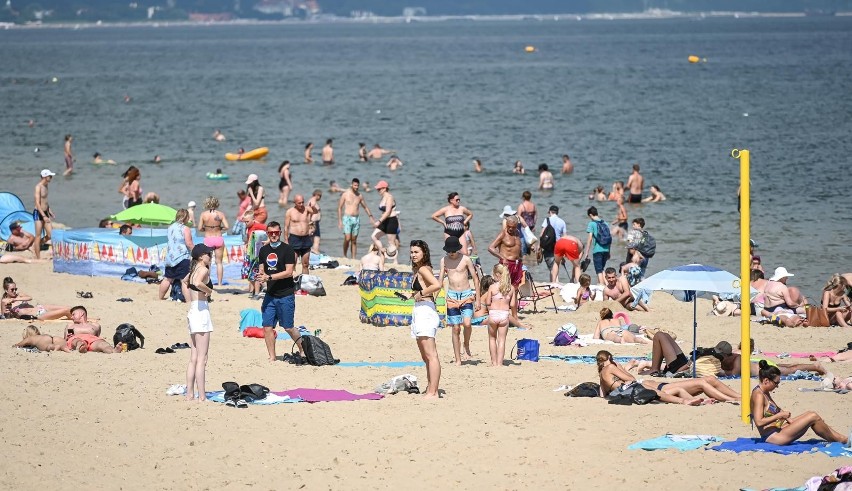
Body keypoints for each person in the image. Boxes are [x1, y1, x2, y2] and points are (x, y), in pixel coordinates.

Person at [750, 360, 848, 445]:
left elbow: (776, 409)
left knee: (811, 415)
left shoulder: (764, 391)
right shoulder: (759, 395)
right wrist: (779, 415)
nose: (777, 386)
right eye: (776, 383)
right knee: (813, 416)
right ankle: (842, 440)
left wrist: (791, 421)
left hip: (777, 430)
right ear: (766, 380)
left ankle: (843, 439)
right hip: (773, 437)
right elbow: (759, 422)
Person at [256, 221, 302, 362]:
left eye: (276, 233)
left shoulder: (287, 250)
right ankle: (272, 357)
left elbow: (289, 272)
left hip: (286, 295)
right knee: (267, 326)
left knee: (288, 327)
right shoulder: (263, 250)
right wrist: (260, 276)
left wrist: (269, 277)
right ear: (267, 233)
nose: (274, 235)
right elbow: (262, 268)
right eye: (271, 233)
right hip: (270, 295)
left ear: (280, 233)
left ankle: (302, 348)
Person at [596, 350, 702, 405]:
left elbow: (603, 394)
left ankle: (691, 400)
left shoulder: (601, 372)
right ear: (609, 357)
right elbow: (632, 379)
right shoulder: (610, 367)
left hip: (618, 394)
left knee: (658, 393)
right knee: (657, 393)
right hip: (626, 390)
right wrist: (621, 368)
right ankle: (684, 401)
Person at [408, 239, 442, 398]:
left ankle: (433, 392)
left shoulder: (423, 269)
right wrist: (412, 295)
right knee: (425, 356)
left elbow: (437, 285)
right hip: (420, 310)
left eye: (416, 252)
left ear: (424, 253)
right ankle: (430, 387)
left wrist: (420, 294)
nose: (413, 255)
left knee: (431, 354)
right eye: (411, 252)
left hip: (425, 312)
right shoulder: (420, 269)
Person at [439, 236, 480, 365]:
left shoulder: (466, 259)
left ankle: (466, 344)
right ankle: (458, 359)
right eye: (449, 251)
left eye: (453, 251)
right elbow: (440, 281)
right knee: (456, 328)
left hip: (466, 295)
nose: (451, 253)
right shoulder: (444, 260)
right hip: (451, 296)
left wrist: (478, 299)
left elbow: (475, 278)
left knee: (467, 323)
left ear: (458, 249)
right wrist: (434, 299)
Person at [186, 244, 214, 402]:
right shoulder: (202, 269)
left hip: (192, 311)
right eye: (208, 254)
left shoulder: (193, 268)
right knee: (202, 359)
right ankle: (202, 396)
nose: (210, 257)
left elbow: (186, 281)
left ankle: (189, 394)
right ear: (201, 256)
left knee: (194, 358)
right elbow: (196, 283)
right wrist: (209, 291)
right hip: (201, 312)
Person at [483, 263, 515, 367]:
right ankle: (500, 363)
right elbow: (513, 304)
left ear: (497, 274)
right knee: (502, 340)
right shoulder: (511, 288)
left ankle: (494, 362)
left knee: (492, 338)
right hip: (504, 314)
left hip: (493, 314)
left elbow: (487, 302)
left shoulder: (492, 287)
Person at [159, 209, 193, 302]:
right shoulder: (185, 229)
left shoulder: (170, 227)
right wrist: (196, 252)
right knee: (184, 281)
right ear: (185, 217)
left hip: (170, 257)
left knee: (167, 279)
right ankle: (189, 301)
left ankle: (160, 298)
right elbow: (189, 243)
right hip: (182, 257)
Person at [337, 178, 375, 259]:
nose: (356, 187)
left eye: (357, 185)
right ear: (351, 185)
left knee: (354, 240)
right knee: (347, 238)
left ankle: (353, 258)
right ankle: (344, 255)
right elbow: (339, 207)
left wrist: (370, 216)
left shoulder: (359, 196)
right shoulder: (345, 194)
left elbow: (365, 207)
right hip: (347, 218)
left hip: (356, 219)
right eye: (355, 185)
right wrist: (340, 220)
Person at [2, 277, 72, 320]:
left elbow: (30, 298)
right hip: (38, 315)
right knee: (66, 311)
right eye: (12, 289)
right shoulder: (5, 301)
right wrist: (7, 313)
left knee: (69, 308)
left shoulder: (19, 295)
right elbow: (4, 316)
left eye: (15, 289)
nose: (14, 291)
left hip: (40, 307)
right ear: (6, 290)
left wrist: (16, 299)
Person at [198, 196, 229, 286]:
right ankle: (219, 283)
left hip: (208, 239)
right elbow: (227, 226)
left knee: (208, 262)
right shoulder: (221, 214)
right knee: (219, 262)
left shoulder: (203, 215)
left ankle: (207, 282)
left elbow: (199, 228)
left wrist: (206, 229)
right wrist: (219, 228)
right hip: (218, 238)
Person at [284, 194, 317, 278]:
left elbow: (315, 212)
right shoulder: (290, 212)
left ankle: (305, 283)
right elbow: (286, 227)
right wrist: (286, 240)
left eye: (302, 202)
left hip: (306, 238)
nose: (301, 204)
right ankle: (292, 284)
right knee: (293, 263)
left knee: (305, 263)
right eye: (299, 203)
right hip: (294, 238)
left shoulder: (307, 209)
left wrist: (313, 207)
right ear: (295, 202)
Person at [488, 214, 523, 289]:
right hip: (506, 264)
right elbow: (491, 248)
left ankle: (514, 301)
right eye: (509, 226)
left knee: (515, 287)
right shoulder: (503, 234)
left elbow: (518, 249)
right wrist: (503, 258)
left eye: (513, 227)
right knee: (504, 286)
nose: (510, 229)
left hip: (517, 264)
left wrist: (521, 259)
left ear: (516, 226)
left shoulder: (518, 233)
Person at [581, 206, 611, 285]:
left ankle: (601, 285)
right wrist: (609, 251)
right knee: (601, 268)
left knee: (598, 270)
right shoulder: (605, 223)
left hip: (597, 250)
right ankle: (607, 285)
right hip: (606, 250)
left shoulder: (592, 224)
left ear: (590, 215)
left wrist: (587, 252)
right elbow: (609, 238)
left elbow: (590, 239)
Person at [371, 180, 398, 256]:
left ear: (384, 188)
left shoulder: (389, 197)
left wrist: (379, 222)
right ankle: (383, 250)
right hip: (384, 221)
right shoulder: (383, 197)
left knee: (391, 243)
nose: (378, 191)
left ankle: (395, 260)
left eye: (379, 189)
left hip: (391, 221)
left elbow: (388, 212)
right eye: (377, 189)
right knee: (374, 236)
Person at [33, 169, 55, 260]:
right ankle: (38, 258)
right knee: (38, 235)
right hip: (38, 213)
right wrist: (44, 216)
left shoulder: (46, 186)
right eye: (50, 176)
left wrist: (49, 210)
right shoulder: (38, 187)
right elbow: (38, 203)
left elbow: (45, 201)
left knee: (51, 235)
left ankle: (39, 243)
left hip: (45, 212)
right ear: (45, 177)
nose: (51, 178)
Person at [307, 189, 323, 254]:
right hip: (312, 222)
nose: (320, 198)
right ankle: (314, 252)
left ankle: (314, 251)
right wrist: (310, 223)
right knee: (314, 237)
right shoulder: (312, 202)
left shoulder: (312, 201)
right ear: (317, 195)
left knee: (315, 238)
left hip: (314, 222)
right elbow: (309, 213)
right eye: (320, 196)